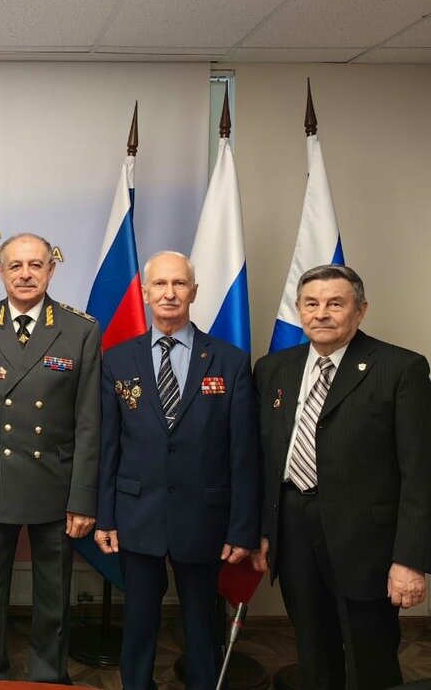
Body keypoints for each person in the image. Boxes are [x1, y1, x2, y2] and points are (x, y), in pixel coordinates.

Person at [252, 264, 431, 689]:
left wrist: (410, 560)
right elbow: (264, 457)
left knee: (371, 661)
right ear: (298, 310)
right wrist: (263, 529)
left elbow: (420, 472)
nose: (321, 313)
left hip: (366, 542)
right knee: (313, 654)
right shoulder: (272, 368)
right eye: (311, 304)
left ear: (360, 310)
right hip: (293, 531)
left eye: (335, 303)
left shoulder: (401, 368)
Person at [94, 251, 258, 690]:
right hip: (137, 514)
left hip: (204, 517)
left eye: (179, 283)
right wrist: (105, 516)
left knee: (202, 625)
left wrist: (242, 528)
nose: (169, 293)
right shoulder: (117, 360)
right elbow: (108, 446)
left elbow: (244, 454)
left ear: (194, 292)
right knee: (138, 623)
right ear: (145, 293)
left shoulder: (230, 361)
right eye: (160, 284)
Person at [0, 232, 100, 684]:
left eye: (36, 264)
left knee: (54, 594)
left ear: (51, 270)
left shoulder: (80, 330)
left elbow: (89, 422)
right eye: (15, 265)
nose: (25, 274)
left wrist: (83, 497)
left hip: (54, 483)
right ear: (0, 272)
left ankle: (47, 675)